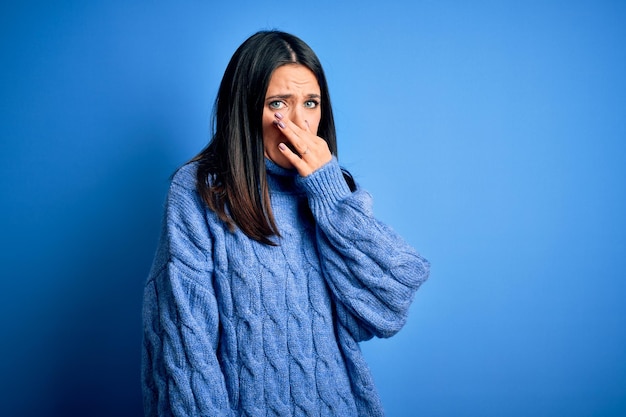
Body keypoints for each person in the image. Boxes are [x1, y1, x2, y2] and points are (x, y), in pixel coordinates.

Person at [142, 30, 430, 417]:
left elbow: (387, 306)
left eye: (311, 103)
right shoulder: (200, 193)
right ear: (245, 110)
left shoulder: (333, 190)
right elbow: (184, 346)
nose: (299, 121)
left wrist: (327, 192)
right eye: (278, 103)